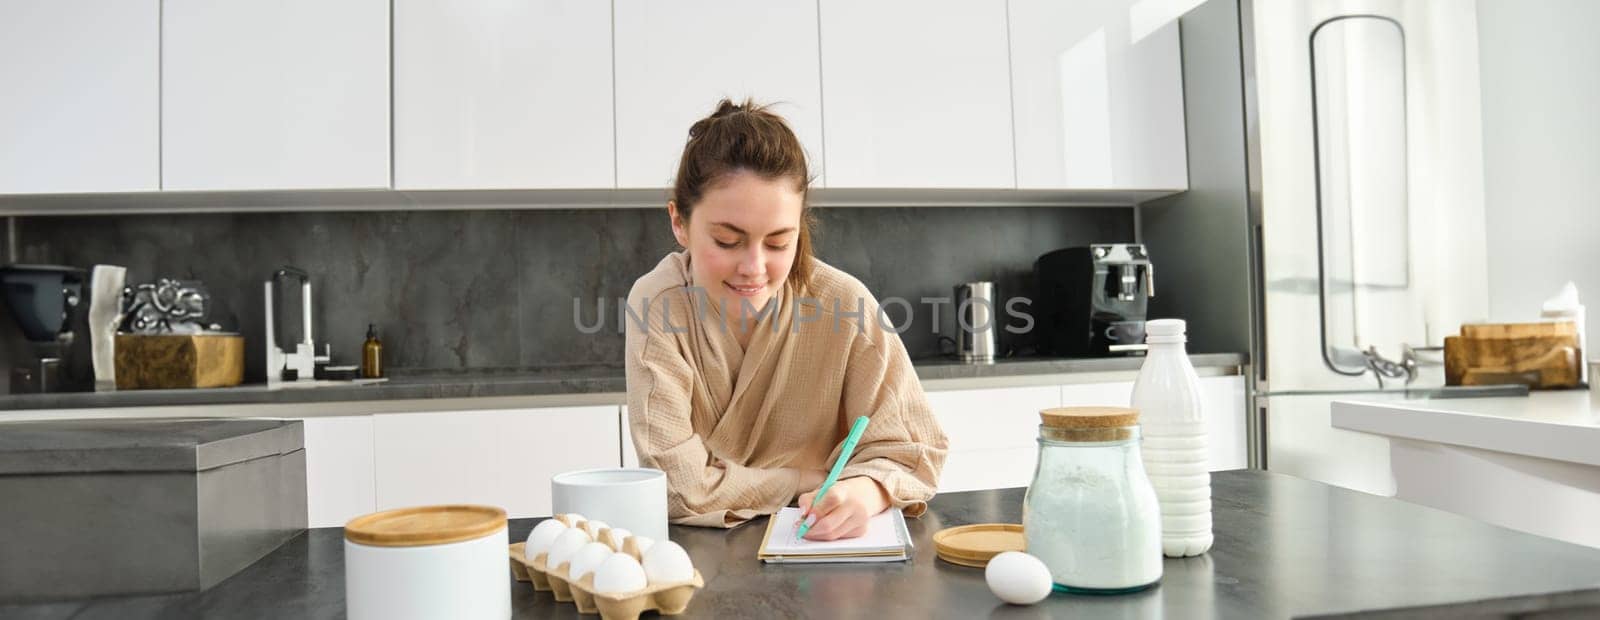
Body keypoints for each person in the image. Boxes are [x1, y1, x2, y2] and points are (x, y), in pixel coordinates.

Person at [624, 98, 948, 541]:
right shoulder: (658, 303)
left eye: (778, 243)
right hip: (701, 562)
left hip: (826, 562)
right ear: (679, 222)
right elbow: (676, 488)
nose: (753, 267)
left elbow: (914, 450)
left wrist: (864, 492)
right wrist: (800, 481)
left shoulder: (844, 304)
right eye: (727, 240)